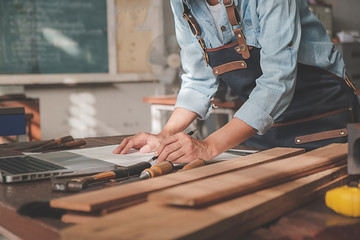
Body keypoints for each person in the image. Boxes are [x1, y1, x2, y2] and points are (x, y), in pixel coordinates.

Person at [114, 0, 359, 164]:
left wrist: (208, 147)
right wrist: (165, 136)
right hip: (264, 133)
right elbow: (198, 80)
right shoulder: (182, 3)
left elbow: (277, 81)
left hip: (324, 128)